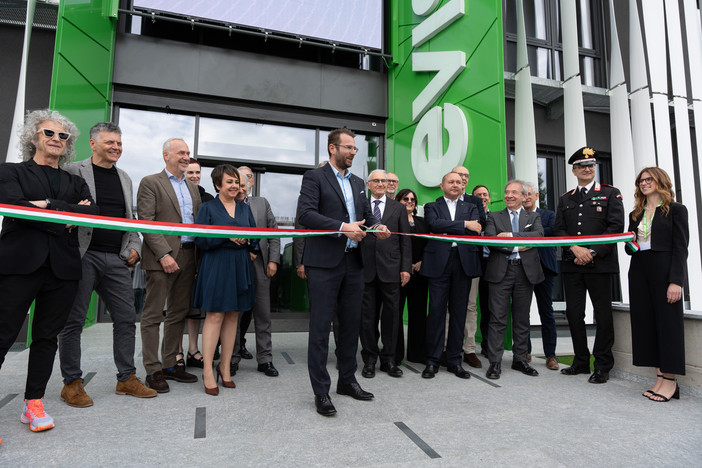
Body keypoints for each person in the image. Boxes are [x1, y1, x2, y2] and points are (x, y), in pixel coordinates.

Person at [0, 109, 97, 433]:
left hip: (63, 268)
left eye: (63, 136)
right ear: (33, 137)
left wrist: (44, 206)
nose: (56, 139)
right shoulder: (11, 172)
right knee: (3, 334)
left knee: (46, 338)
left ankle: (34, 403)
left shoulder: (75, 180)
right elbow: (14, 205)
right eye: (49, 133)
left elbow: (92, 213)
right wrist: (66, 212)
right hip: (18, 265)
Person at [58, 122, 157, 408]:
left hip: (116, 259)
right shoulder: (73, 171)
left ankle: (126, 378)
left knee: (126, 319)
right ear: (93, 144)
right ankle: (72, 384)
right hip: (82, 256)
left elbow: (129, 220)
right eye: (110, 143)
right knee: (73, 321)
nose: (116, 148)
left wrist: (134, 248)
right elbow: (61, 211)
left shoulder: (125, 177)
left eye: (119, 143)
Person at [296, 127, 390, 416]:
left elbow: (366, 213)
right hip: (323, 263)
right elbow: (306, 215)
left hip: (354, 263)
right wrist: (342, 228)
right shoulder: (315, 177)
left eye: (355, 148)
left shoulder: (360, 182)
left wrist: (377, 227)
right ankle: (321, 391)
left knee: (352, 326)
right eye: (348, 147)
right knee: (321, 329)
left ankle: (347, 381)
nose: (353, 152)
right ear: (332, 149)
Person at [554, 147, 624, 384]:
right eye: (582, 166)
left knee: (603, 315)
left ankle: (602, 365)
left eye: (591, 165)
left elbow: (615, 228)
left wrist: (591, 252)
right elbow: (560, 230)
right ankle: (581, 361)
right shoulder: (565, 198)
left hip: (600, 264)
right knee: (574, 314)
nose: (587, 169)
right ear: (574, 170)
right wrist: (575, 249)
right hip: (573, 264)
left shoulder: (610, 194)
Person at [137, 138, 201, 393]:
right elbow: (146, 221)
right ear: (166, 155)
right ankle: (152, 371)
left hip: (188, 256)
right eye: (181, 152)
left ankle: (170, 365)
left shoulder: (193, 188)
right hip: (160, 258)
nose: (186, 156)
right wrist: (164, 254)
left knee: (177, 314)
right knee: (153, 316)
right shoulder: (151, 182)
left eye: (188, 153)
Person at [193, 165, 257, 395]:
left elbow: (254, 235)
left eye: (237, 182)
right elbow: (199, 239)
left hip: (240, 265)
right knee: (215, 315)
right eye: (229, 182)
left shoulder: (243, 208)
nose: (234, 186)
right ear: (218, 185)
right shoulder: (208, 208)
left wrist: (250, 243)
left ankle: (225, 367)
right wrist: (226, 236)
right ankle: (208, 370)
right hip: (216, 265)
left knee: (233, 316)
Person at [627, 167, 688, 402]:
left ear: (660, 181)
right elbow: (630, 244)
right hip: (640, 268)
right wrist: (629, 245)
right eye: (641, 180)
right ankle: (660, 377)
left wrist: (676, 281)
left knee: (668, 323)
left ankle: (671, 381)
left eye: (648, 179)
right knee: (647, 323)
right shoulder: (635, 213)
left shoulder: (676, 210)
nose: (644, 183)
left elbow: (681, 248)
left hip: (664, 270)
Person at [420, 172, 482, 380]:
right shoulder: (432, 206)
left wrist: (455, 227)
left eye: (459, 182)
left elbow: (476, 231)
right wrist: (464, 225)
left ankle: (455, 361)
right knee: (436, 312)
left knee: (459, 314)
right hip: (439, 264)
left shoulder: (472, 207)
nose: (456, 185)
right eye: (451, 182)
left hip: (463, 263)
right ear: (442, 185)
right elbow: (434, 225)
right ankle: (433, 360)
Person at [484, 181, 544, 379]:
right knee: (497, 319)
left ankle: (520, 359)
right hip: (501, 272)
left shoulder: (533, 216)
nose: (509, 195)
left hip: (524, 273)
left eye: (514, 192)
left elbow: (538, 236)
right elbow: (492, 241)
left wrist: (510, 236)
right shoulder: (493, 216)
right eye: (506, 191)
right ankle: (495, 362)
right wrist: (520, 245)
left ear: (524, 196)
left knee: (521, 318)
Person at [360, 170, 411, 378]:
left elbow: (405, 240)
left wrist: (405, 268)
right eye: (377, 181)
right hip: (365, 270)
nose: (381, 184)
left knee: (391, 317)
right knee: (367, 319)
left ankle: (389, 360)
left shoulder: (398, 208)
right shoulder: (360, 205)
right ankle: (369, 359)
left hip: (391, 270)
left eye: (384, 180)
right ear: (368, 184)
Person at [231, 165, 281, 377]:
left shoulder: (262, 203)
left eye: (245, 182)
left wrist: (273, 260)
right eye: (237, 183)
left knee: (263, 314)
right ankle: (231, 359)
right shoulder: (225, 205)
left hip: (261, 266)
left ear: (250, 184)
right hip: (234, 266)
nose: (241, 188)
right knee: (233, 315)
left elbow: (273, 233)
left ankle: (265, 359)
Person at [451, 166, 488, 368]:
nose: (462, 179)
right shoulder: (442, 201)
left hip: (470, 259)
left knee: (470, 306)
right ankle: (448, 348)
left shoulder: (475, 201)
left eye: (466, 175)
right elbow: (442, 223)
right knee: (449, 306)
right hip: (448, 260)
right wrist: (466, 223)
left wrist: (458, 224)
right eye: (459, 175)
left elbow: (480, 225)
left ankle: (469, 349)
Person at [523, 182, 559, 370]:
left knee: (547, 312)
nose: (526, 197)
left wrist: (524, 234)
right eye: (523, 194)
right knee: (522, 312)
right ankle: (525, 351)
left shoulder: (549, 215)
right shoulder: (516, 216)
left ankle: (551, 355)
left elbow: (550, 232)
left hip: (544, 268)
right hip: (522, 268)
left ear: (537, 195)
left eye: (529, 194)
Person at [181, 158, 214, 369]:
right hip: (178, 254)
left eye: (197, 172)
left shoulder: (208, 198)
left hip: (201, 257)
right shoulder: (175, 192)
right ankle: (175, 351)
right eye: (190, 172)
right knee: (177, 307)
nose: (194, 176)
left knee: (194, 308)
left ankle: (193, 350)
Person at [394, 188, 429, 365]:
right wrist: (405, 266)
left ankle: (417, 354)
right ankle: (395, 355)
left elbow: (430, 244)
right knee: (396, 315)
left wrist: (422, 261)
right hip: (398, 274)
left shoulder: (422, 222)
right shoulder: (393, 222)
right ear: (398, 201)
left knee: (419, 314)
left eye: (412, 199)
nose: (409, 202)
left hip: (420, 274)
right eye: (405, 199)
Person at [472, 184, 492, 357]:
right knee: (470, 306)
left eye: (485, 194)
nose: (482, 197)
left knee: (488, 307)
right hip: (473, 262)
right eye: (478, 195)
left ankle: (487, 345)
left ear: (489, 198)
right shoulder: (471, 216)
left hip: (491, 265)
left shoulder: (496, 217)